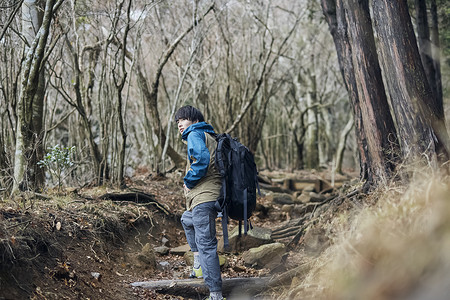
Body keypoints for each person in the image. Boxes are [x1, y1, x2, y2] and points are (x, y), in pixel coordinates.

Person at [175, 106, 224, 300]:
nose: (180, 123)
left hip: (205, 197)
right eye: (177, 121)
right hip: (208, 197)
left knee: (206, 245)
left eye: (184, 119)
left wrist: (188, 181)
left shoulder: (195, 134)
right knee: (186, 220)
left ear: (194, 121)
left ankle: (215, 294)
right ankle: (198, 264)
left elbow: (202, 160)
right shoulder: (207, 135)